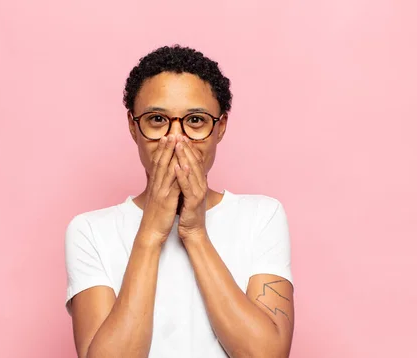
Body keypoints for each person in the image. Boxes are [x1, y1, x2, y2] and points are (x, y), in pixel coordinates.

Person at [65, 45, 294, 358]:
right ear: (134, 127)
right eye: (157, 119)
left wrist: (195, 232)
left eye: (196, 120)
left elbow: (266, 355)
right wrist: (150, 234)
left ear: (220, 127)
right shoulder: (89, 230)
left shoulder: (262, 216)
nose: (176, 139)